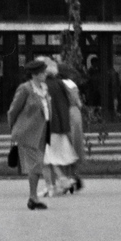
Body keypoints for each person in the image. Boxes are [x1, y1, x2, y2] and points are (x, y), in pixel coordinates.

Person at [7, 61, 51, 208]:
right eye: (43, 72)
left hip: (41, 132)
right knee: (36, 164)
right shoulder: (25, 89)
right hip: (27, 132)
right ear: (35, 74)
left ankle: (33, 197)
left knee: (38, 164)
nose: (46, 74)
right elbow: (13, 111)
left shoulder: (44, 89)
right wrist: (14, 129)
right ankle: (33, 198)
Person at [42, 59, 84, 194]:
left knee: (57, 150)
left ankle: (59, 181)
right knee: (70, 147)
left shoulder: (51, 84)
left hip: (62, 115)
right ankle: (70, 177)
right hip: (72, 114)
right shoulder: (70, 84)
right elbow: (79, 103)